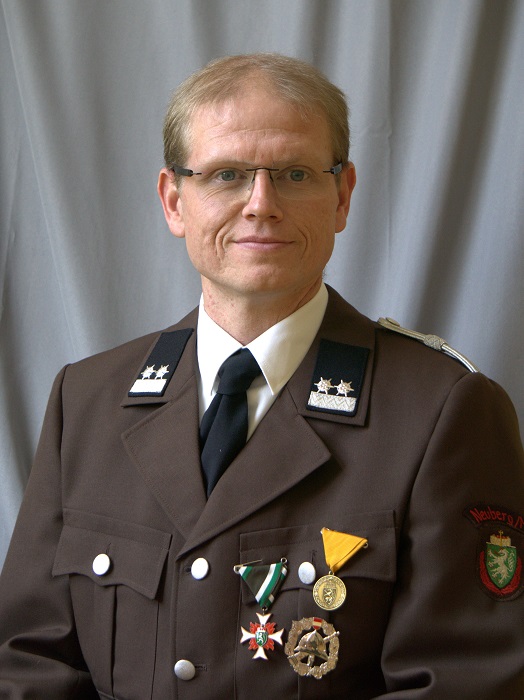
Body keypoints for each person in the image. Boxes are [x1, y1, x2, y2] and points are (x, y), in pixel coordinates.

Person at [0, 53, 523, 699]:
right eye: (226, 175)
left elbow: (462, 685)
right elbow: (27, 665)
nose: (261, 205)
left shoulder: (442, 411)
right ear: (174, 200)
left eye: (295, 174)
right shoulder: (86, 401)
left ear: (342, 196)